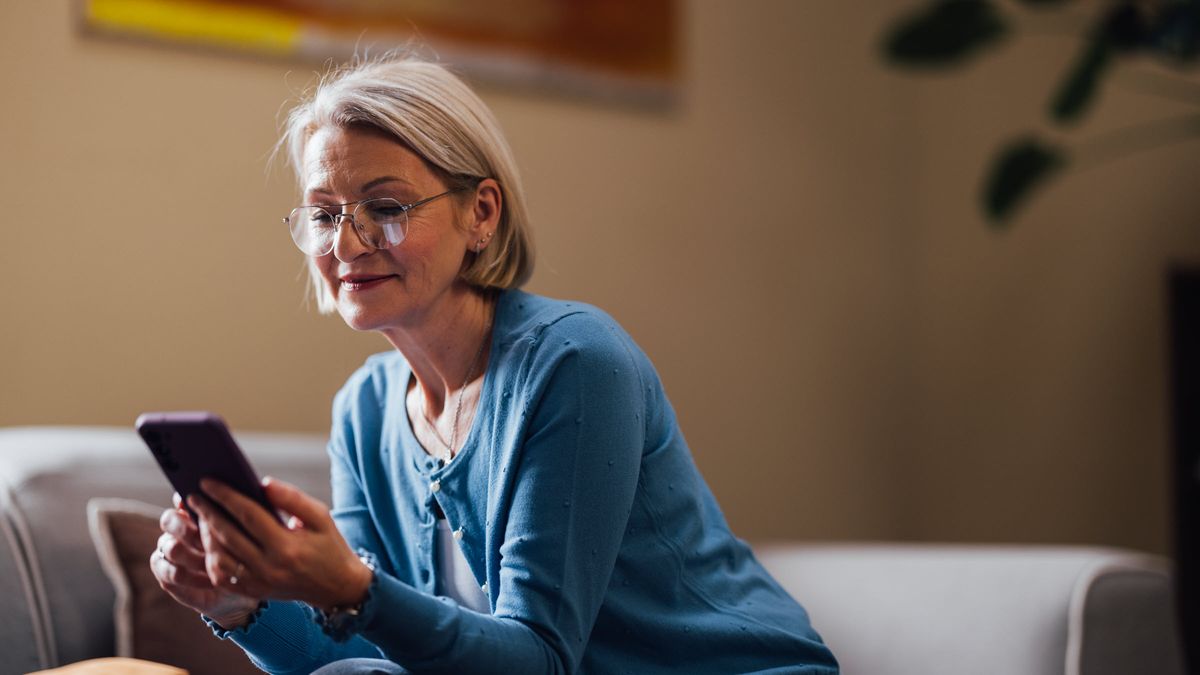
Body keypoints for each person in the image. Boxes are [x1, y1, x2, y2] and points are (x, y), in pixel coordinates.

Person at [150, 55, 838, 675]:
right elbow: (373, 650)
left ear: (480, 213)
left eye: (385, 207)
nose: (348, 243)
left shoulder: (575, 363)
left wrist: (351, 589)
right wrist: (243, 604)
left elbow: (537, 658)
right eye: (324, 215)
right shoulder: (362, 410)